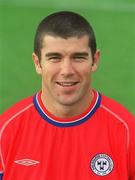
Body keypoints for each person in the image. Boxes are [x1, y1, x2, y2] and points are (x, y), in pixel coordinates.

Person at [0, 11, 135, 180]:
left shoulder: (127, 131)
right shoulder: (6, 131)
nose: (67, 71)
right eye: (54, 58)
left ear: (95, 60)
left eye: (78, 57)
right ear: (37, 63)